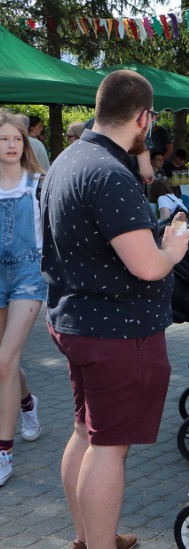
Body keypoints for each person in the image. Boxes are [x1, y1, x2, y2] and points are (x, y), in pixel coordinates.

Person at [41, 69, 189, 549]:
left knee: (85, 431)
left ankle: (89, 538)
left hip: (75, 320)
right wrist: (174, 249)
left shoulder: (68, 158)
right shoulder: (110, 172)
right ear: (145, 118)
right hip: (115, 331)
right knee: (108, 447)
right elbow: (148, 266)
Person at [0, 110, 48, 488]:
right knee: (5, 360)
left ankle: (4, 453)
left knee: (4, 360)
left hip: (28, 276)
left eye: (17, 138)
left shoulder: (38, 183)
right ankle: (28, 404)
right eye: (4, 139)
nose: (12, 145)